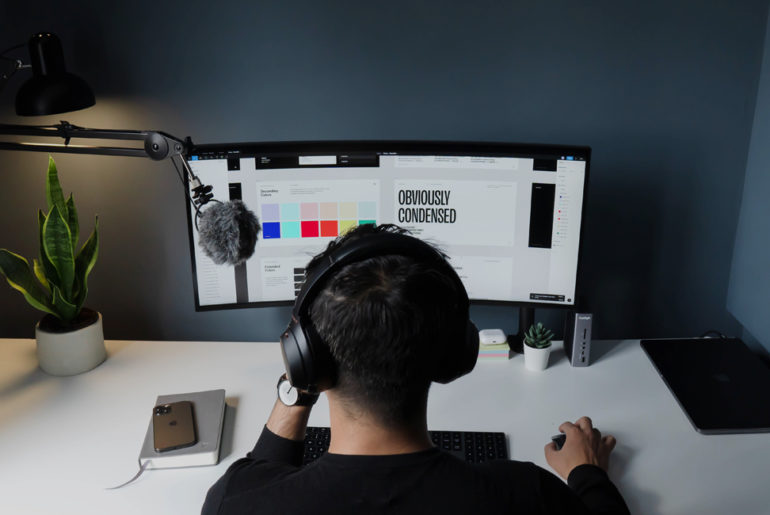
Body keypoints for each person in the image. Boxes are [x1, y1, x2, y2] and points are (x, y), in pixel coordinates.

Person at [202, 224, 629, 515]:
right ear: (455, 355)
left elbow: (260, 477)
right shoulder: (526, 495)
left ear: (306, 357)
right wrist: (587, 472)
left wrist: (298, 385)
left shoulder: (236, 502)